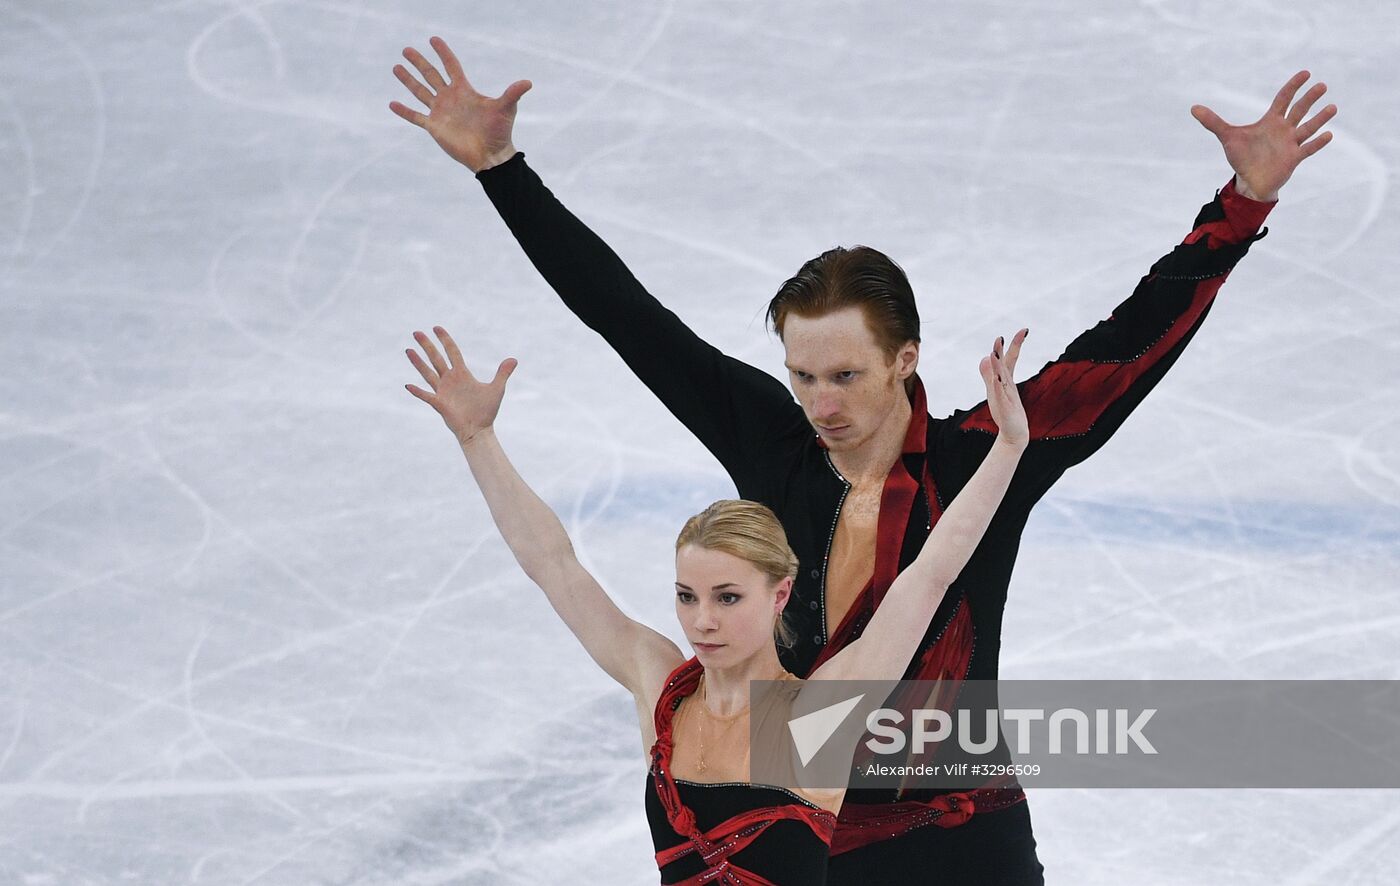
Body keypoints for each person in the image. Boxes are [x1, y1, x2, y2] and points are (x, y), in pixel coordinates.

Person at [389, 37, 1336, 883]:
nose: (820, 403)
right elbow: (630, 319)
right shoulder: (771, 439)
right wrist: (503, 171)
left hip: (967, 835)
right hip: (813, 834)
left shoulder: (982, 453)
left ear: (905, 362)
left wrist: (1244, 203)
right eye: (802, 375)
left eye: (843, 375)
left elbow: (1123, 353)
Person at [402, 324, 1029, 884]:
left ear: (779, 593)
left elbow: (931, 574)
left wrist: (1006, 450)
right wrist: (478, 439)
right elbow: (554, 566)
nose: (703, 620)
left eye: (728, 598)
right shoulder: (662, 690)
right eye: (687, 596)